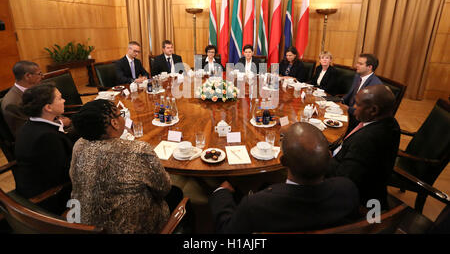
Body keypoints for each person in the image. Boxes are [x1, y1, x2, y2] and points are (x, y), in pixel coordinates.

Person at [209, 123, 360, 233]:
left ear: (283, 162)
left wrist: (221, 193)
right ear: (329, 157)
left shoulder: (256, 205)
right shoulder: (348, 189)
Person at [70, 99, 177, 233]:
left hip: (85, 225)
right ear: (114, 123)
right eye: (120, 114)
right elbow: (163, 188)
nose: (122, 117)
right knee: (177, 195)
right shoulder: (138, 150)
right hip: (129, 228)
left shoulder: (79, 145)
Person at [327, 84, 400, 210]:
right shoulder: (390, 122)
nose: (353, 107)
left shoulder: (366, 140)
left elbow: (343, 182)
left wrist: (323, 159)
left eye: (357, 104)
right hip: (366, 181)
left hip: (357, 202)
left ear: (373, 110)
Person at [14, 83, 73, 212]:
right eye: (59, 98)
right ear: (48, 107)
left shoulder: (29, 125)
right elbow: (65, 173)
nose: (64, 100)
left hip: (32, 182)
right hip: (49, 197)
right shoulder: (46, 137)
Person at [1, 61, 43, 137]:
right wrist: (59, 123)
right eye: (39, 74)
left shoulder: (34, 88)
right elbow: (27, 132)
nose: (42, 76)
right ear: (27, 76)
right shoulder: (12, 104)